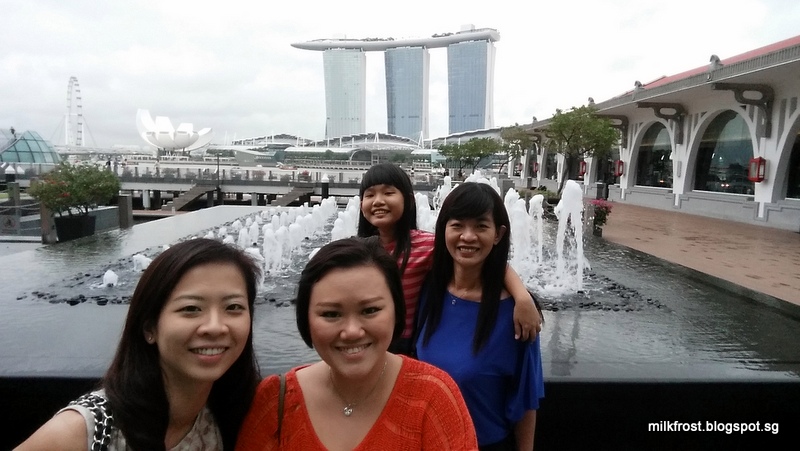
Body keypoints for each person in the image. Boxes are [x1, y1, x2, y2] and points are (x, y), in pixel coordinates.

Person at [15, 238, 262, 451]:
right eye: (191, 308)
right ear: (149, 328)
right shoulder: (83, 431)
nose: (216, 327)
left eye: (233, 307)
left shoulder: (238, 414)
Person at [236, 237, 478, 450]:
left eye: (370, 310)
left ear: (396, 311)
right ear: (305, 318)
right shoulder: (275, 402)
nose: (352, 331)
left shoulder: (433, 398)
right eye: (331, 314)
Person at [357, 162, 541, 355]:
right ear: (361, 205)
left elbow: (491, 263)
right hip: (368, 338)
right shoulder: (358, 251)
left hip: (406, 344)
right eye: (370, 195)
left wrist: (522, 298)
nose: (378, 201)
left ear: (409, 201)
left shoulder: (425, 245)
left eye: (388, 193)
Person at [415, 182, 545, 451]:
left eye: (481, 226)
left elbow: (525, 400)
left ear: (498, 234)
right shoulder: (430, 290)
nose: (468, 236)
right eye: (457, 225)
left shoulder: (517, 313)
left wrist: (522, 297)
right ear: (443, 229)